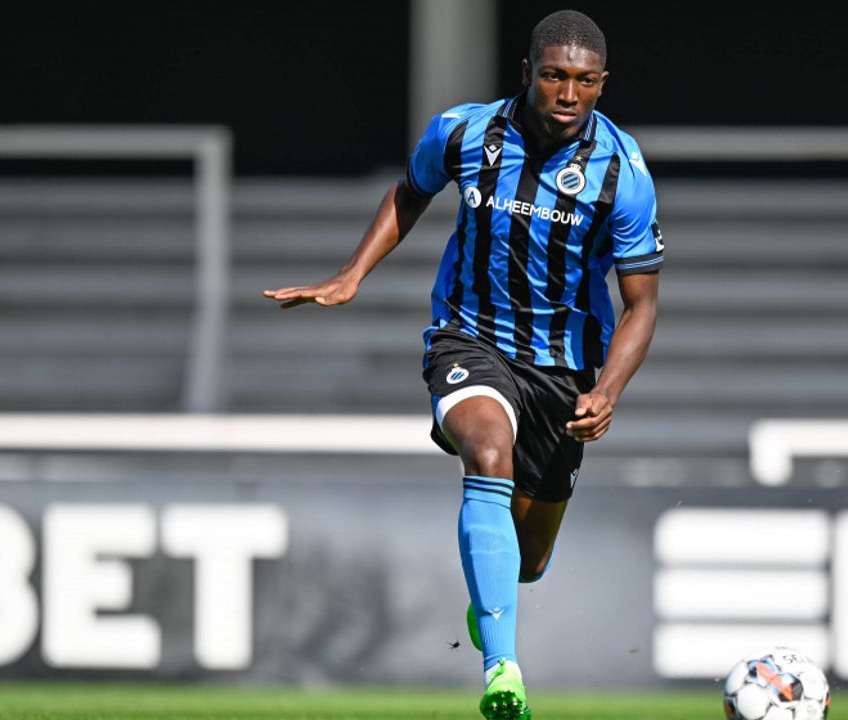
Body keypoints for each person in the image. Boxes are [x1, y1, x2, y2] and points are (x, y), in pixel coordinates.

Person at [263, 9, 661, 719]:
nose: (568, 94)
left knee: (528, 561)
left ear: (603, 83)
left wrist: (608, 389)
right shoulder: (463, 132)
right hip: (468, 337)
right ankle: (502, 669)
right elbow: (409, 192)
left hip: (563, 369)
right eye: (554, 76)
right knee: (487, 450)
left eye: (585, 81)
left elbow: (641, 305)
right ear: (527, 73)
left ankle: (492, 603)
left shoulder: (622, 173)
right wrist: (352, 274)